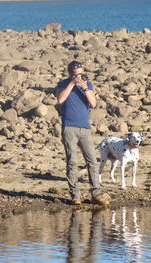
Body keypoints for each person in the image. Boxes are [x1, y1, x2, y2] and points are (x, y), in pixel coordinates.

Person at [56, 61, 109, 206]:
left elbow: (93, 103)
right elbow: (60, 99)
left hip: (85, 128)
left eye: (80, 73)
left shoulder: (87, 84)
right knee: (72, 161)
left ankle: (96, 193)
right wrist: (72, 84)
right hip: (69, 128)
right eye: (75, 74)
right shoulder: (63, 84)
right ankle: (75, 195)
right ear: (69, 73)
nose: (78, 76)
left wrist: (85, 87)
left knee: (92, 161)